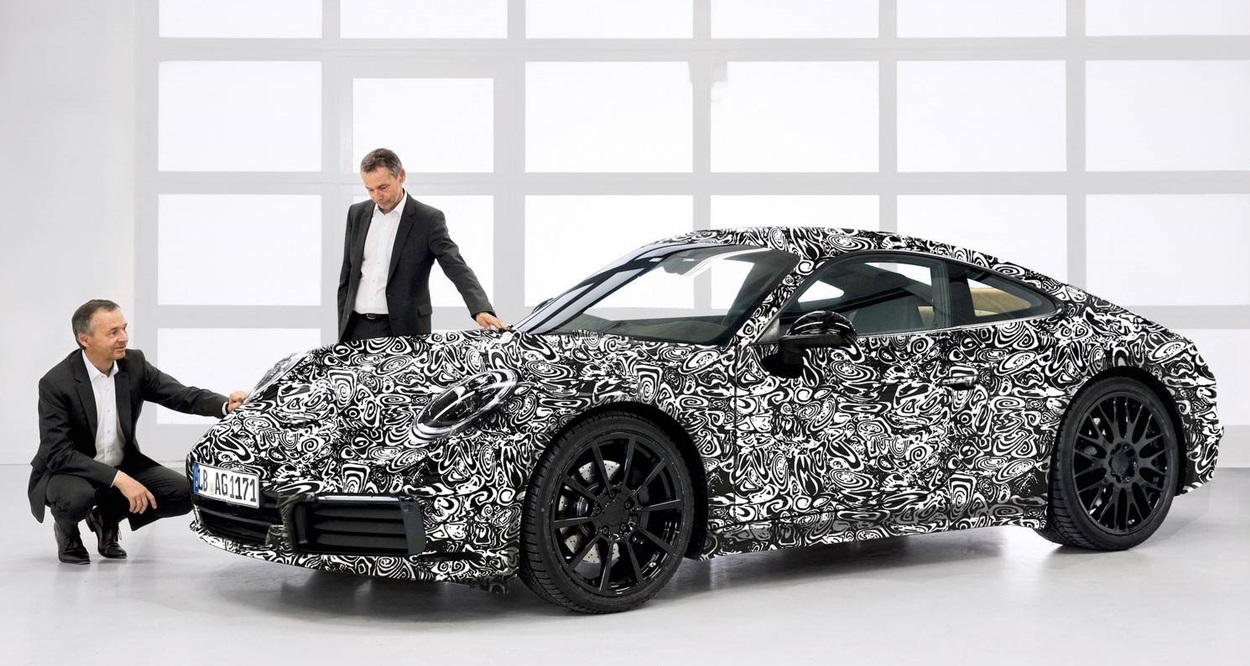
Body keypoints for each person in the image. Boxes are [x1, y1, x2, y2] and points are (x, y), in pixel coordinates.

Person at [28, 299, 248, 564]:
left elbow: (180, 395)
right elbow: (58, 453)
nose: (123, 337)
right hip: (71, 470)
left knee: (182, 493)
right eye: (113, 332)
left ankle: (106, 517)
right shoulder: (56, 383)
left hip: (122, 462)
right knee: (76, 499)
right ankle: (67, 531)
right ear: (84, 339)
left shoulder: (134, 364)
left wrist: (225, 405)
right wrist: (120, 480)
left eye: (124, 328)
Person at [338, 147, 506, 342]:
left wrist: (480, 308)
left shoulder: (428, 219)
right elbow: (348, 272)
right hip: (355, 328)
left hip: (403, 329)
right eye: (370, 190)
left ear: (401, 176)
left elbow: (456, 266)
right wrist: (343, 323)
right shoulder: (356, 213)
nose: (376, 197)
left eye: (383, 187)